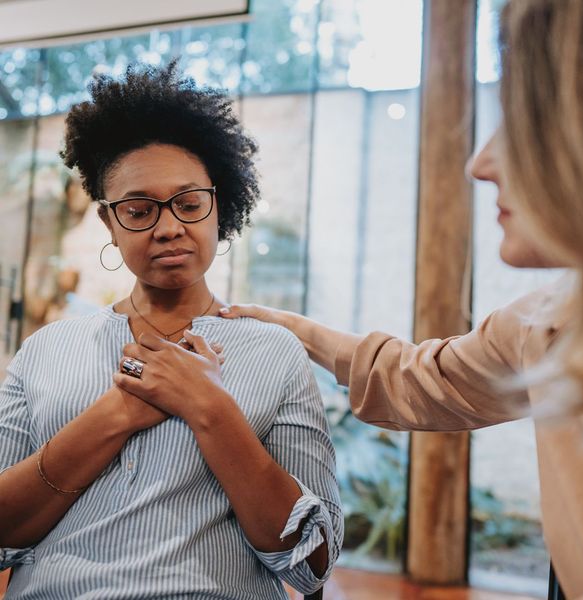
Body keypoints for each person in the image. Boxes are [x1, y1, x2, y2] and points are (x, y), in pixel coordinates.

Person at [220, 0, 583, 597]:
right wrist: (293, 330)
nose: (478, 163)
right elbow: (419, 378)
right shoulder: (543, 324)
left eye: (524, 121)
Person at [0, 63, 342, 599]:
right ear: (110, 223)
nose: (168, 227)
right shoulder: (45, 350)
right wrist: (117, 414)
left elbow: (311, 561)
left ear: (219, 206)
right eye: (139, 210)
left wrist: (208, 406)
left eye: (188, 204)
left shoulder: (275, 352)